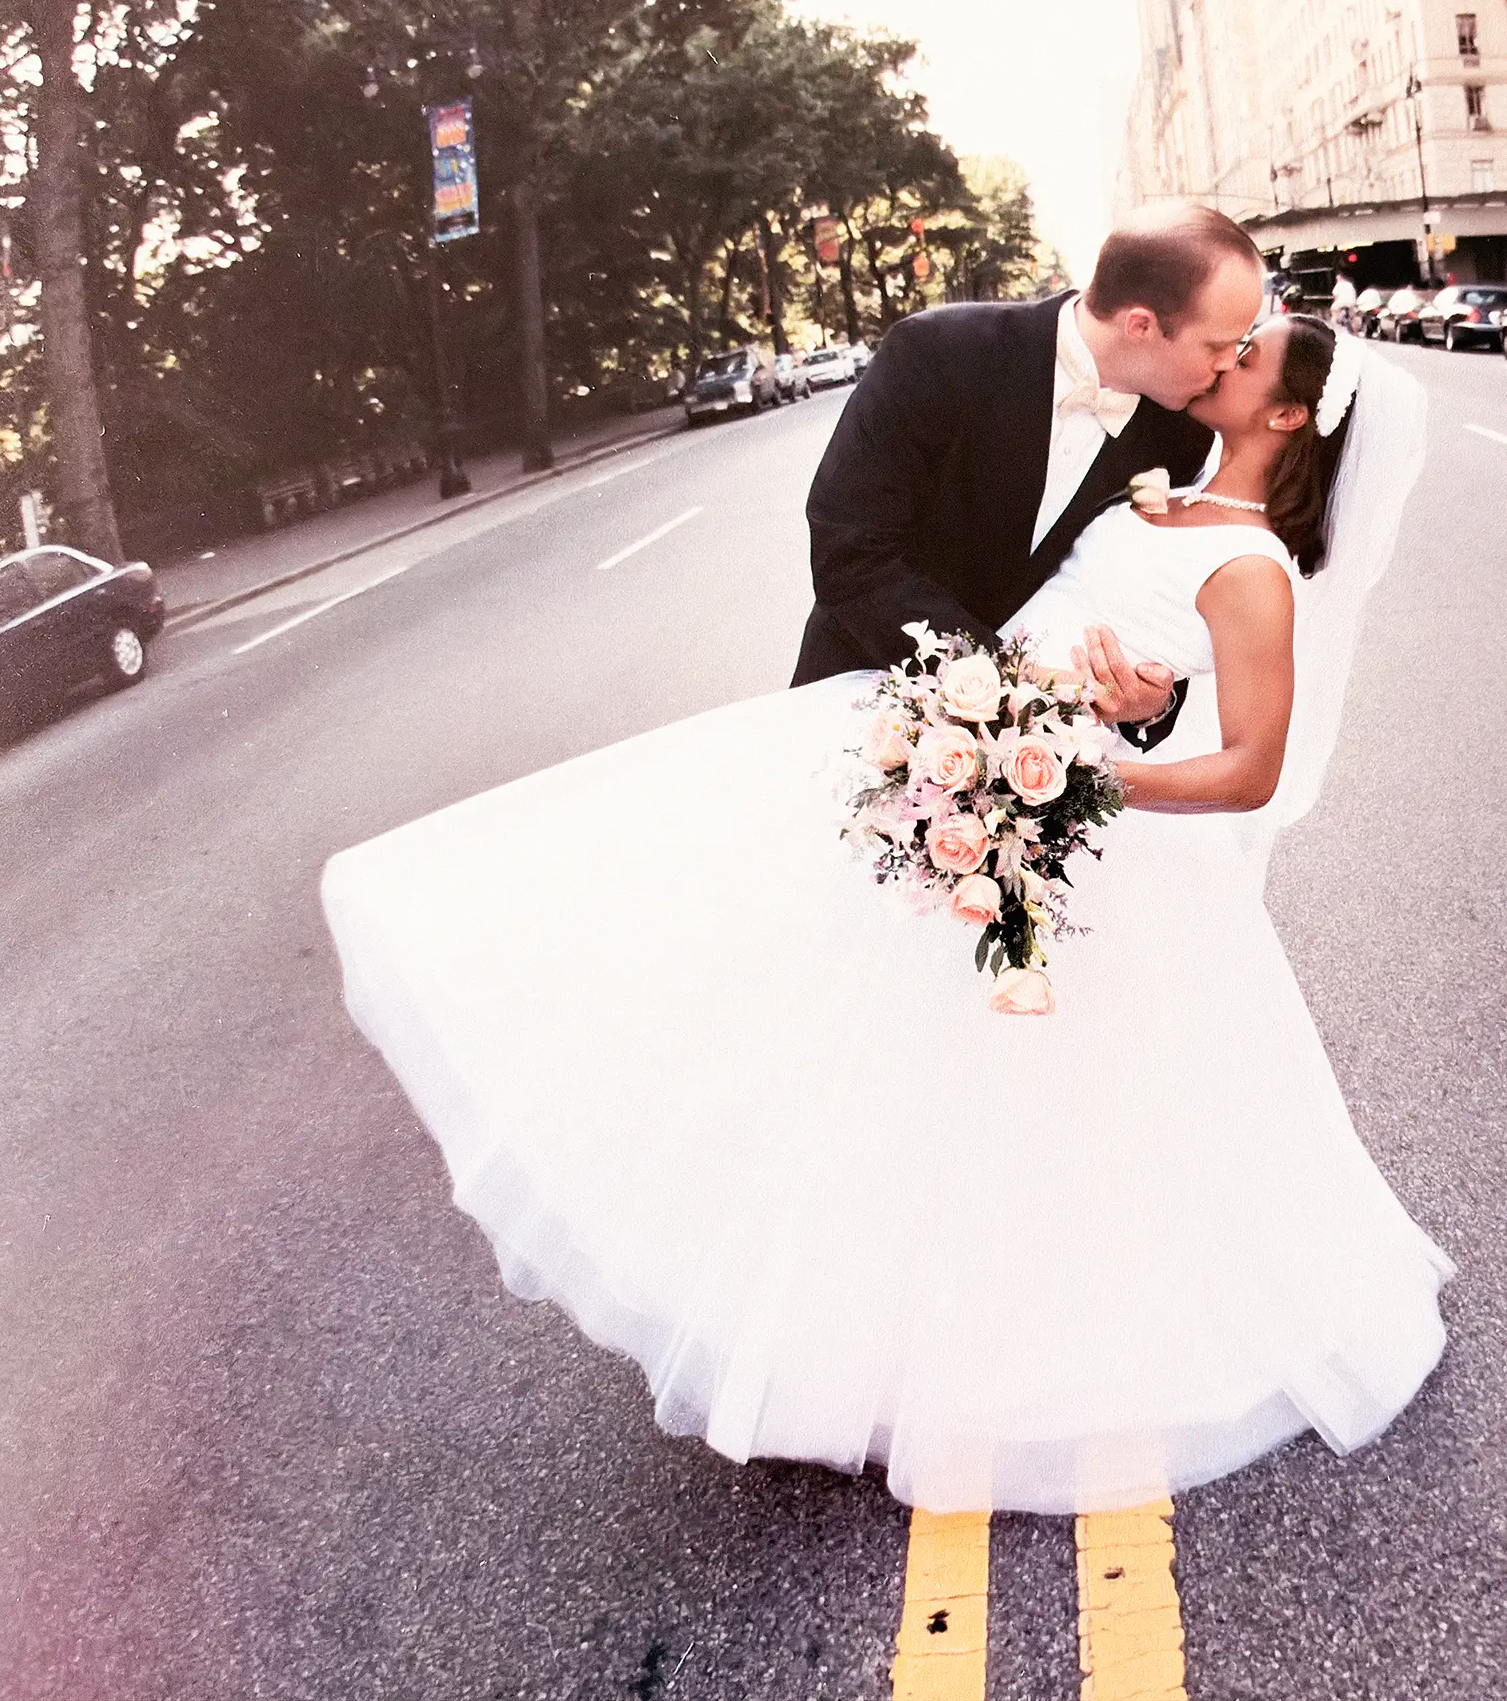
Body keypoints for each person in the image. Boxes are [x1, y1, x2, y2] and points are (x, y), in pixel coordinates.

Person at [320, 289, 1445, 1518]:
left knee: (1066, 1101)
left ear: (1287, 410)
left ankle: (1021, 1342)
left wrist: (1084, 772)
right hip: (971, 763)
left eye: (1249, 355)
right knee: (884, 1062)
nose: (1220, 356)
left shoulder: (1253, 568)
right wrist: (1049, 715)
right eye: (1223, 338)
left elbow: (1250, 771)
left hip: (1062, 818)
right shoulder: (1164, 474)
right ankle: (861, 1328)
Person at [795, 200, 1267, 750]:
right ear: (1140, 325)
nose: (1232, 362)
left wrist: (1152, 702)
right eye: (1219, 344)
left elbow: (1140, 585)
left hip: (1036, 771)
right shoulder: (938, 353)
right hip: (861, 705)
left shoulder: (1180, 440)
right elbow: (849, 555)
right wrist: (1008, 683)